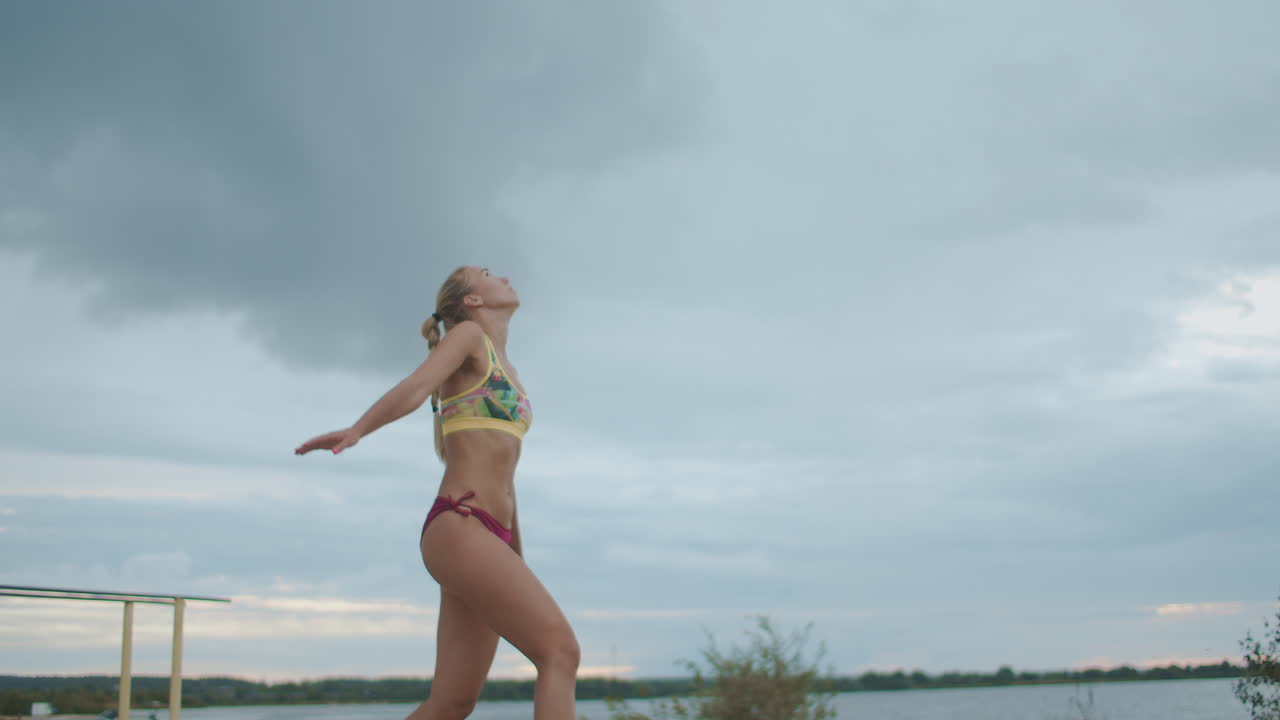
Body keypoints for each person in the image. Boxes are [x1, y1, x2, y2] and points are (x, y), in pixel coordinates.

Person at [294, 266, 579, 720]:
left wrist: (514, 553)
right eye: (486, 274)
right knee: (560, 653)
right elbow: (417, 385)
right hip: (460, 526)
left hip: (489, 536)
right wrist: (359, 429)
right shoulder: (467, 337)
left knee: (452, 702)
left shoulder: (510, 369)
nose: (501, 275)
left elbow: (505, 473)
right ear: (472, 301)